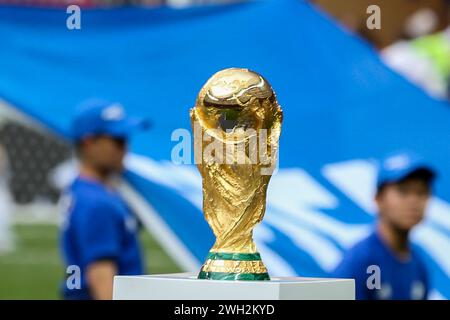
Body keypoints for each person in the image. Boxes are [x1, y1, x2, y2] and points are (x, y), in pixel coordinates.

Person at [60, 99, 149, 300]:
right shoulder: (96, 203)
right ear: (89, 143)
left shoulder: (85, 190)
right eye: (118, 140)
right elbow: (102, 276)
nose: (125, 148)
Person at [332, 151, 435, 300]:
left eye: (421, 192)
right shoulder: (361, 260)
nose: (413, 201)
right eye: (403, 191)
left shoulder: (419, 264)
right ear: (378, 199)